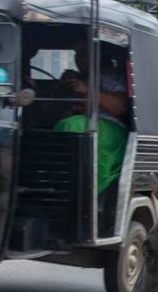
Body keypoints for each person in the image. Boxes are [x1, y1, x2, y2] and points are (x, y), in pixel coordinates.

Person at [53, 40, 130, 193]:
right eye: (77, 54)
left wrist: (88, 90)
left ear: (99, 55)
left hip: (110, 127)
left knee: (71, 126)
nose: (79, 59)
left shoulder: (108, 75)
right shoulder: (76, 77)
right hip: (80, 119)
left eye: (84, 54)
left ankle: (75, 187)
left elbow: (120, 106)